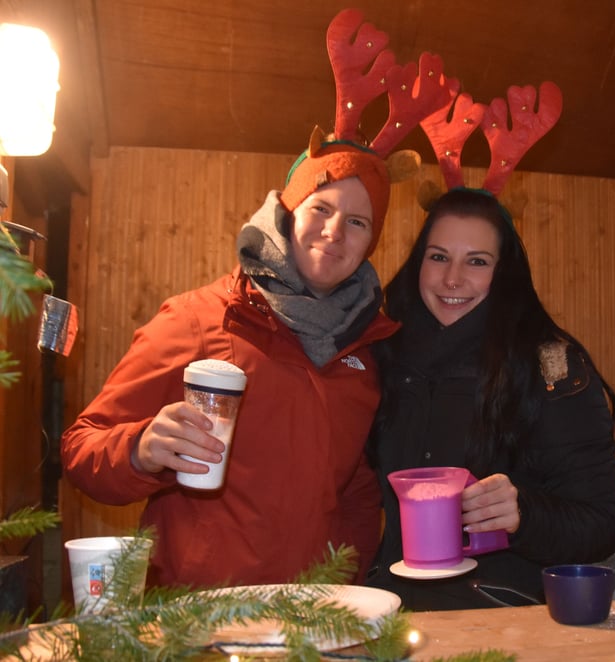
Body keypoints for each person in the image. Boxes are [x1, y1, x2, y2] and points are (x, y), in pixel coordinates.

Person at [61, 140, 399, 589]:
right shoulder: (196, 320)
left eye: (357, 221)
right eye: (321, 208)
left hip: (312, 612)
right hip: (198, 612)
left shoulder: (364, 350)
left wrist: (344, 580)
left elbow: (356, 487)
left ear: (372, 242)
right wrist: (140, 450)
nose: (334, 231)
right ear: (288, 212)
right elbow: (81, 448)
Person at [367, 187, 615, 610]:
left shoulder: (550, 368)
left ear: (505, 273)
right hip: (392, 618)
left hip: (500, 623)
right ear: (418, 264)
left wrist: (524, 513)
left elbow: (602, 525)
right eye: (438, 257)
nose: (453, 279)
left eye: (477, 262)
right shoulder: (383, 357)